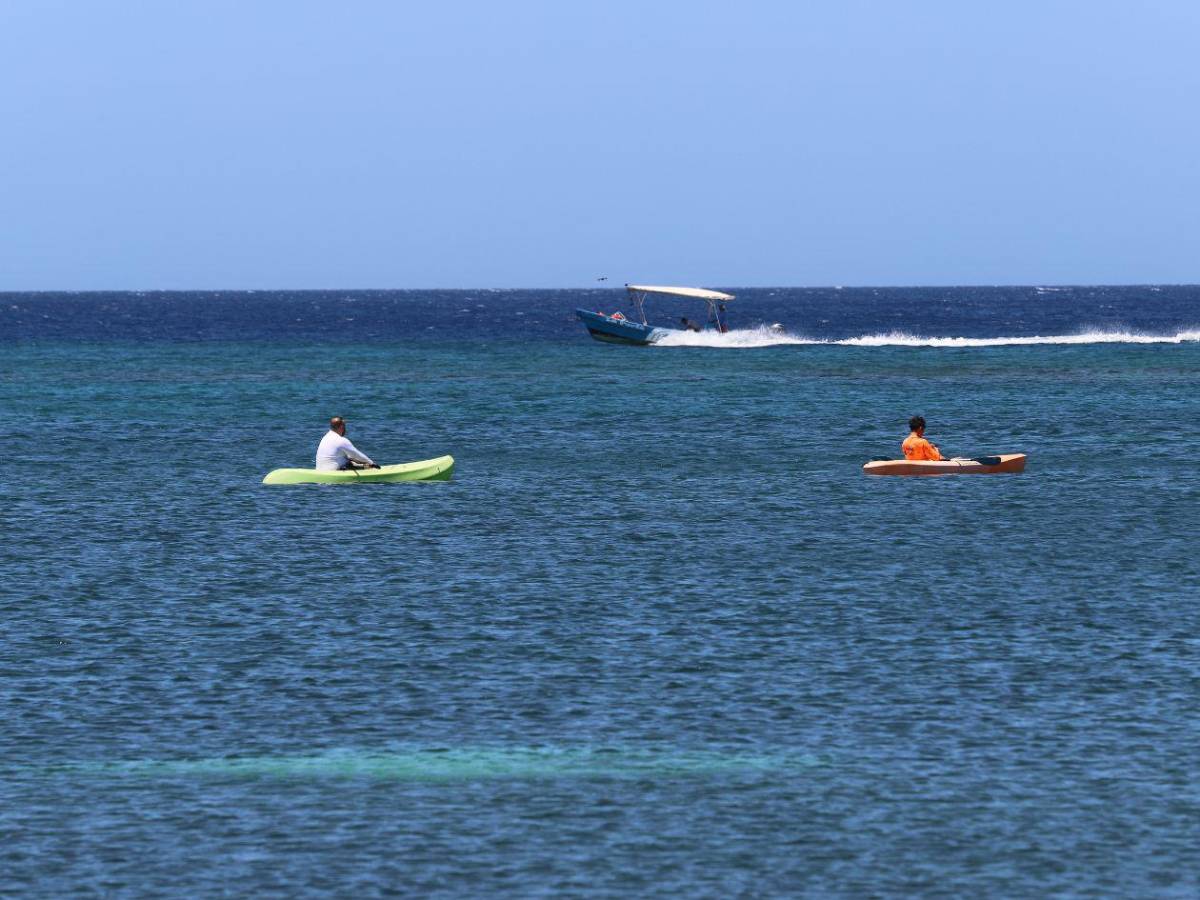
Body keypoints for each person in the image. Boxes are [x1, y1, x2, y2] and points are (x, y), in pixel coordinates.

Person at [316, 416, 380, 471]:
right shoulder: (341, 440)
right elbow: (356, 454)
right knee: (358, 462)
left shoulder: (325, 437)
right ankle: (370, 468)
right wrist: (372, 463)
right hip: (335, 471)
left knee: (351, 460)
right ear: (341, 427)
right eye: (344, 426)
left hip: (320, 470)